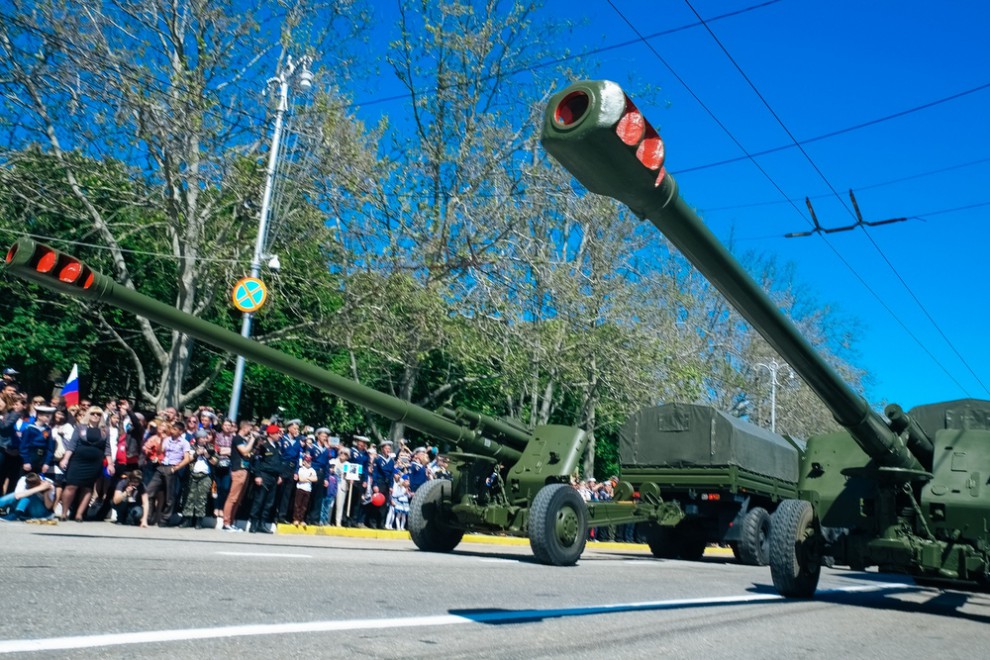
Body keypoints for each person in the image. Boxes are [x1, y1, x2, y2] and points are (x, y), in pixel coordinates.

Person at [59, 406, 112, 522]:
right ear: (89, 414)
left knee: (87, 488)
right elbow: (72, 445)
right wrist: (65, 459)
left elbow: (107, 448)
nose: (96, 416)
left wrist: (110, 464)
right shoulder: (80, 427)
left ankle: (79, 514)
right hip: (78, 461)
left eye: (98, 414)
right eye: (93, 413)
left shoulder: (105, 430)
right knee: (71, 486)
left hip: (94, 463)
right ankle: (64, 513)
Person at [248, 424, 284, 534]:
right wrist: (258, 475)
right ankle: (253, 524)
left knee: (269, 502)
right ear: (271, 434)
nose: (279, 435)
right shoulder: (263, 446)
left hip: (274, 477)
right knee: (259, 500)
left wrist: (279, 475)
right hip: (264, 475)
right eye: (277, 433)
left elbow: (278, 462)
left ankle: (262, 524)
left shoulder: (277, 446)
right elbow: (257, 461)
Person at [222, 420, 256, 532]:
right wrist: (252, 440)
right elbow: (245, 452)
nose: (250, 431)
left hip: (245, 470)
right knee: (232, 498)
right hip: (238, 470)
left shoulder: (243, 440)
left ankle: (231, 522)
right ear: (245, 428)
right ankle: (226, 523)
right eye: (249, 429)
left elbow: (249, 454)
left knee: (238, 499)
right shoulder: (237, 438)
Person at [181, 429, 216, 528]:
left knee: (202, 498)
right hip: (192, 475)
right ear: (198, 438)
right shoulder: (191, 447)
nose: (205, 439)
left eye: (206, 437)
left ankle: (199, 521)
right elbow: (188, 459)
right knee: (189, 497)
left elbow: (215, 462)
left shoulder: (211, 448)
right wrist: (197, 453)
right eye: (203, 437)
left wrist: (207, 456)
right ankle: (186, 519)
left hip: (205, 476)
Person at [19, 404, 56, 477]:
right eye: (47, 416)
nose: (49, 418)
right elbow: (23, 446)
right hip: (30, 457)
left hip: (41, 460)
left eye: (49, 416)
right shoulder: (29, 428)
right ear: (39, 416)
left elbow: (50, 448)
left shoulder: (47, 430)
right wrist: (26, 461)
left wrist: (46, 463)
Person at [293, 454, 317, 527]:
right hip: (300, 488)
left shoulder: (312, 470)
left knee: (304, 506)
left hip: (308, 490)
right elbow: (301, 479)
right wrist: (309, 477)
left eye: (310, 461)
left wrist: (307, 478)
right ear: (303, 462)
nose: (309, 463)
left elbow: (315, 479)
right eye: (307, 461)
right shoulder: (301, 469)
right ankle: (296, 519)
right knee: (298, 504)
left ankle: (302, 519)